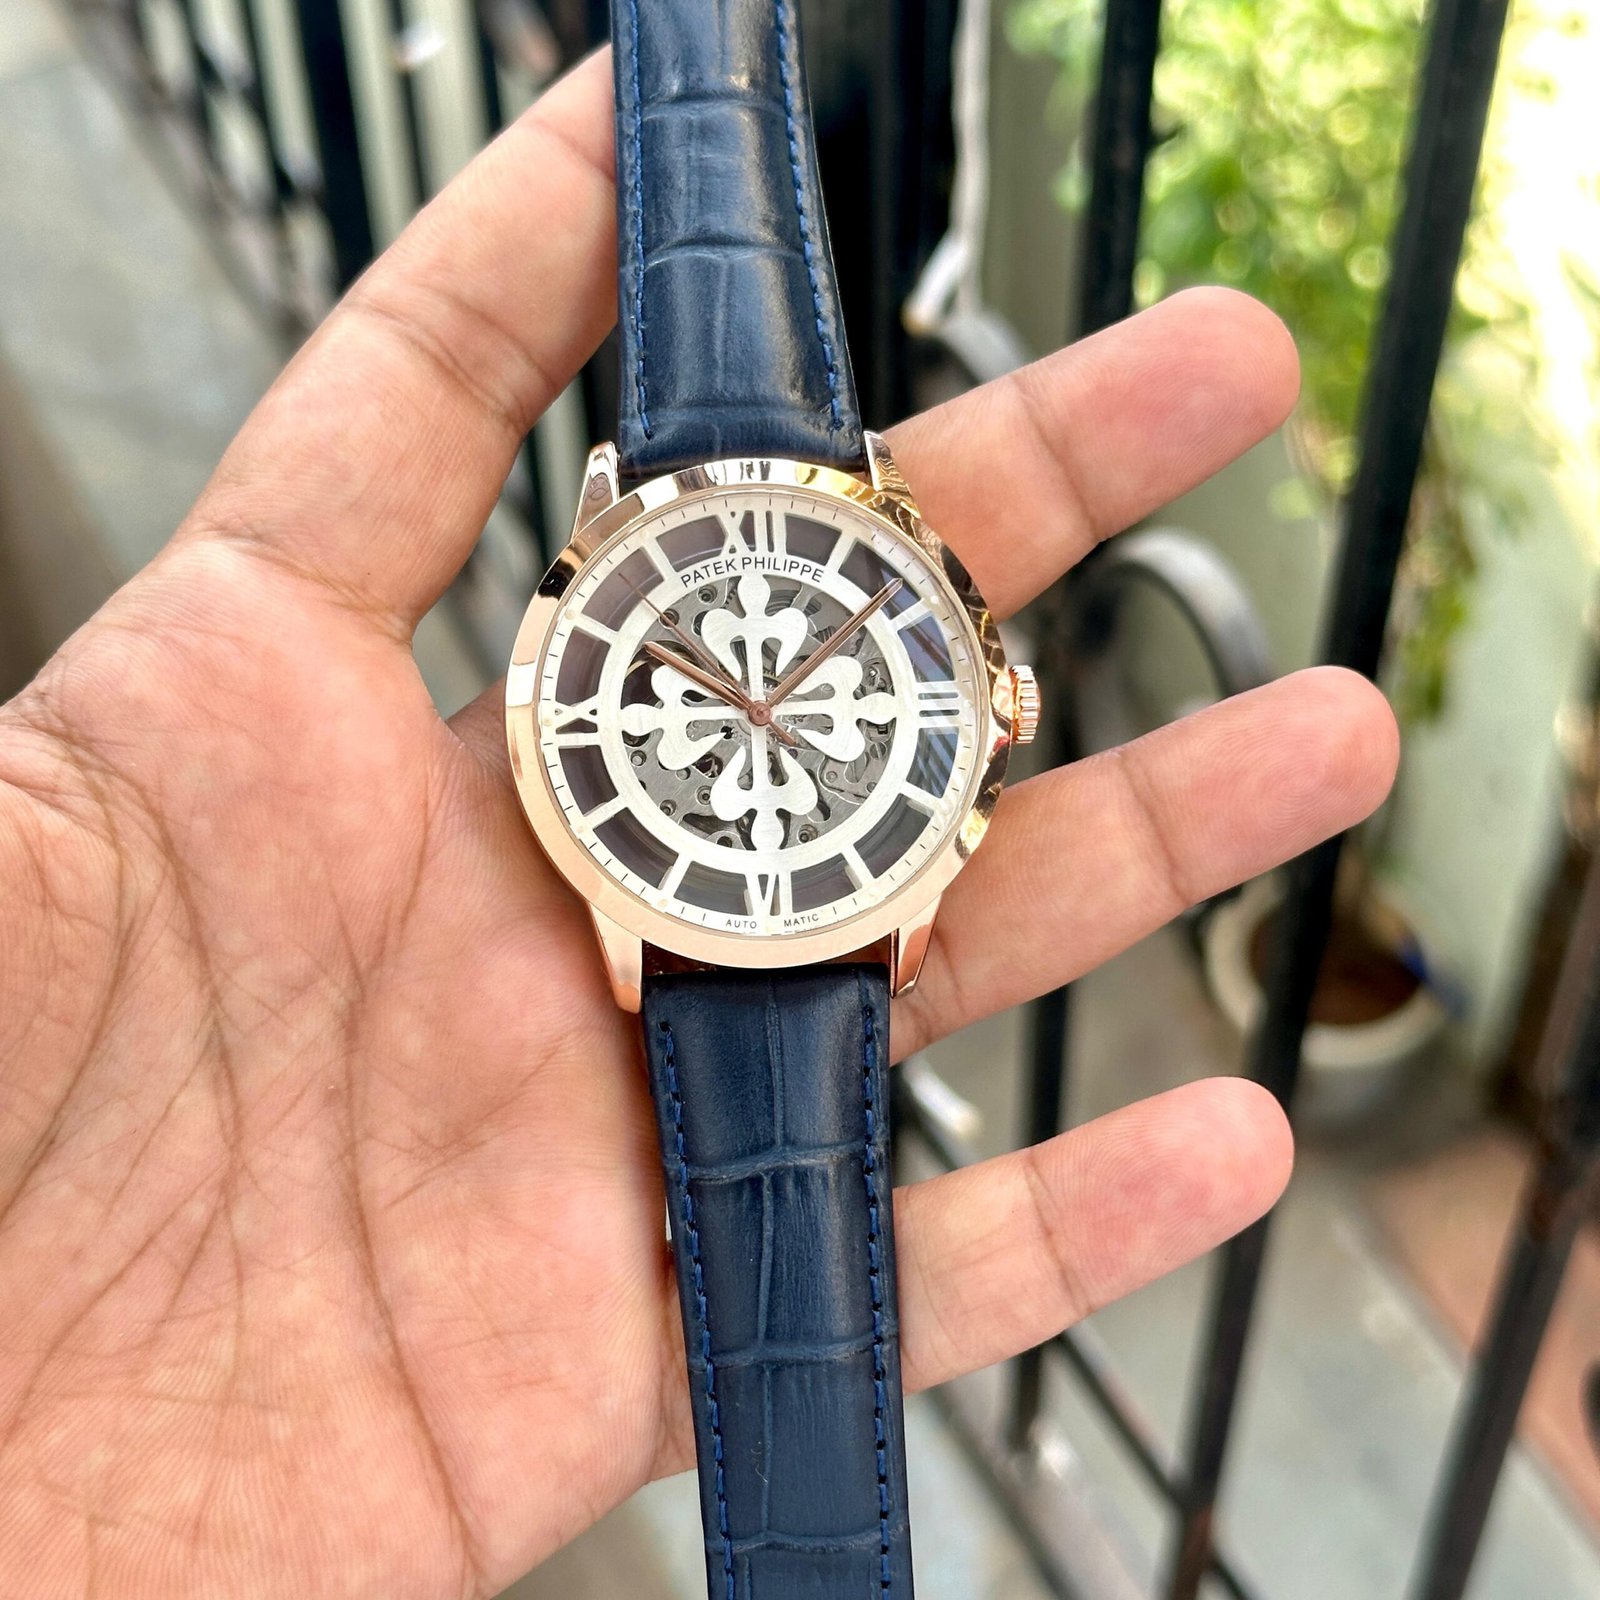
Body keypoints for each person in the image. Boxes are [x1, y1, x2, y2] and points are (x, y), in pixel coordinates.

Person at [0, 52, 1396, 1599]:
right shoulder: (686, 664)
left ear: (989, 705)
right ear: (1002, 703)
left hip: (777, 895)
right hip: (703, 904)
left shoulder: (763, 621)